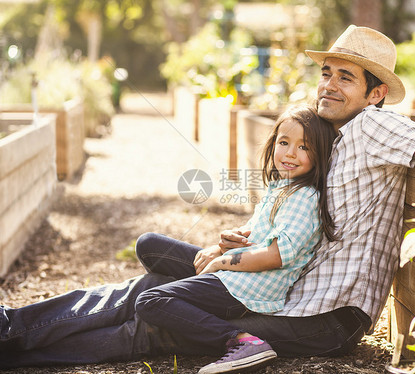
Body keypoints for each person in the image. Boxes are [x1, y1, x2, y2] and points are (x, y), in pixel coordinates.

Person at [0, 25, 415, 373]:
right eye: (326, 73)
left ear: (374, 93)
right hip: (290, 285)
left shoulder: (372, 126)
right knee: (146, 284)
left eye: (346, 78)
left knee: (157, 320)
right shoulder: (327, 135)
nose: (329, 84)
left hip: (325, 314)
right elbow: (301, 222)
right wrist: (254, 239)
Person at [134, 104, 337, 374]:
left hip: (247, 289)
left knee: (149, 301)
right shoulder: (281, 188)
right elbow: (256, 235)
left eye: (304, 147)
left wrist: (223, 261)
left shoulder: (305, 197)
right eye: (284, 142)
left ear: (320, 154)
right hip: (236, 276)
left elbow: (274, 255)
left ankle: (243, 342)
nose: (290, 153)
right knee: (149, 245)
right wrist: (224, 244)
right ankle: (188, 303)